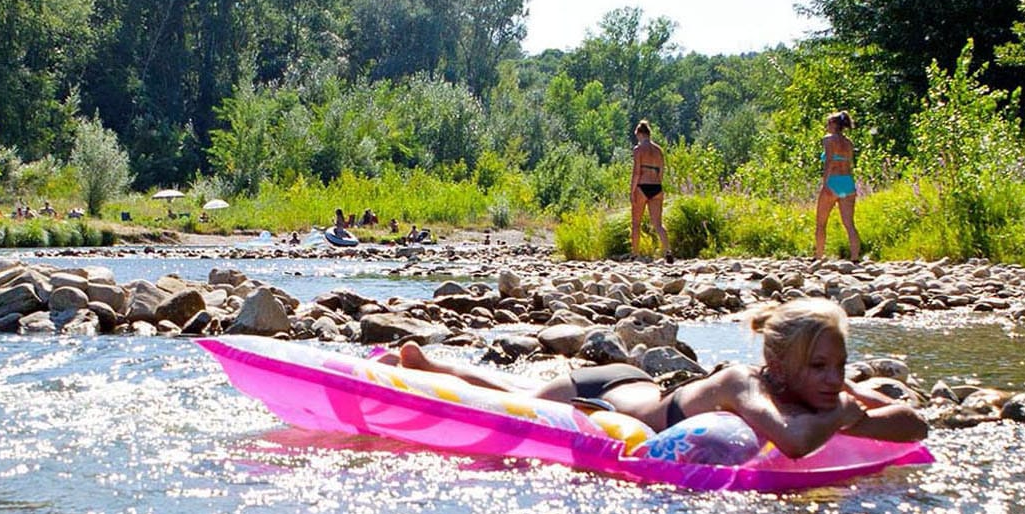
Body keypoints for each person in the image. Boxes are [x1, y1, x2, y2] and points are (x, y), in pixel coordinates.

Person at [391, 298, 925, 458]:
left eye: (839, 365)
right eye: (820, 367)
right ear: (781, 366)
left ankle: (433, 364)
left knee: (518, 392)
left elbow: (915, 424)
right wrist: (848, 416)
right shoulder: (745, 382)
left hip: (646, 384)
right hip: (607, 393)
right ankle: (432, 367)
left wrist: (851, 396)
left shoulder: (824, 386)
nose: (833, 378)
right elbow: (793, 442)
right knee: (517, 395)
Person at [815, 111, 863, 262]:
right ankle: (855, 257)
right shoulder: (849, 143)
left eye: (828, 123)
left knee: (821, 222)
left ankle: (819, 255)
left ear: (834, 125)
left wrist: (825, 183)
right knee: (849, 224)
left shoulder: (829, 140)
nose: (827, 127)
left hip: (833, 180)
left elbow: (829, 161)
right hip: (847, 182)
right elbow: (849, 164)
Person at [627, 120, 668, 258]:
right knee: (658, 224)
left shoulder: (638, 150)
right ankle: (667, 251)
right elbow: (661, 172)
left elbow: (636, 172)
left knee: (636, 223)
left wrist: (632, 191)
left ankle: (635, 254)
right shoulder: (659, 150)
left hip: (642, 186)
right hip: (657, 186)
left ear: (639, 134)